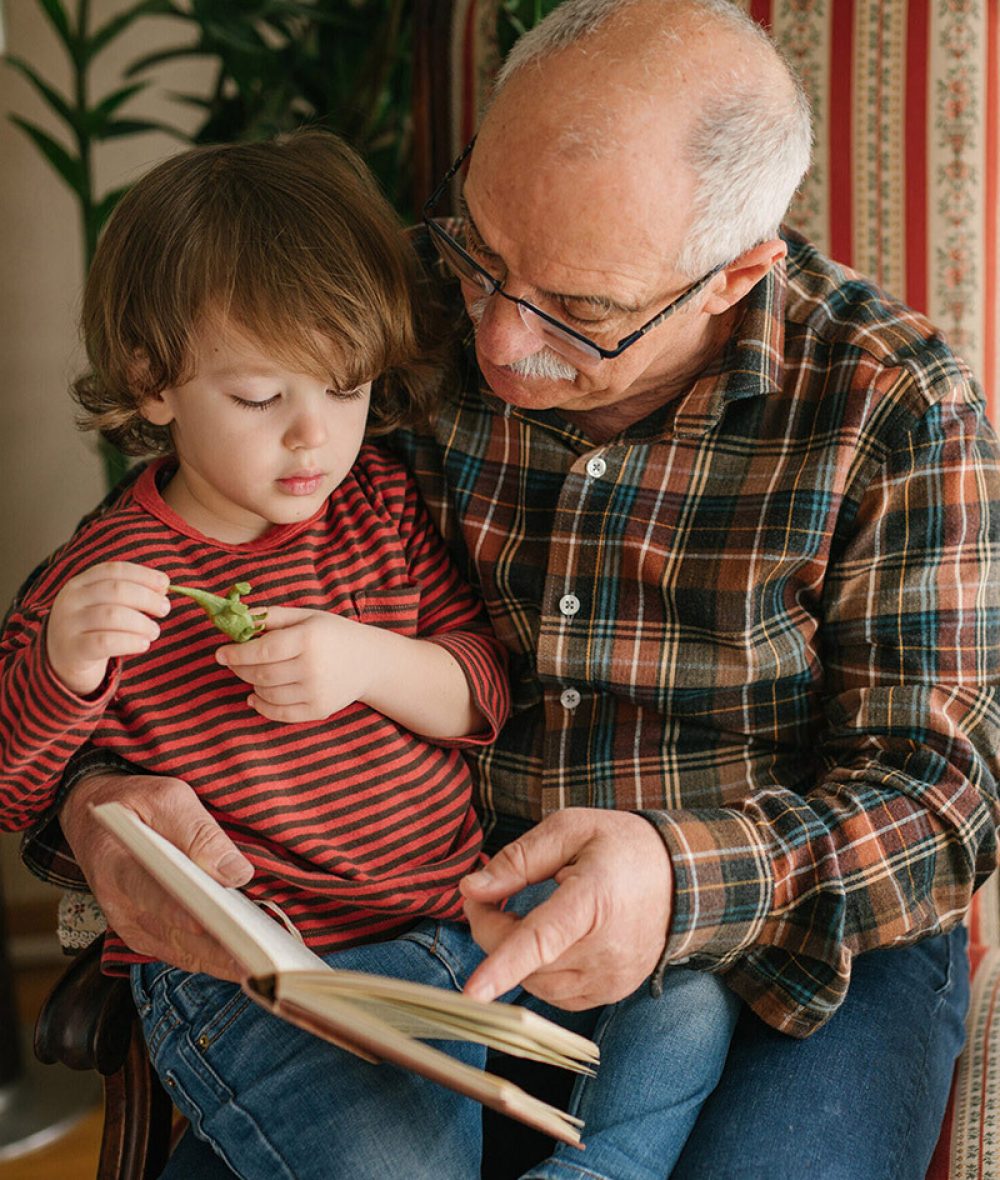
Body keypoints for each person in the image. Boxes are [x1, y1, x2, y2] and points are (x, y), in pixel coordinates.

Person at [15, 0, 1000, 1177]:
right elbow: (114, 637)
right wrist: (99, 806)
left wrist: (676, 879)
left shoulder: (895, 406)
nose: (493, 343)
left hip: (782, 940)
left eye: (579, 313)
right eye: (483, 255)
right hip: (422, 929)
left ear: (733, 276)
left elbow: (944, 800)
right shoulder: (387, 307)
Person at [1, 128, 742, 1180]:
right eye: (261, 400)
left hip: (463, 919)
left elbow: (484, 691)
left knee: (686, 994)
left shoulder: (379, 508)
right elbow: (16, 787)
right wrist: (62, 670)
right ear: (152, 381)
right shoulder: (102, 583)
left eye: (343, 390)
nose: (314, 438)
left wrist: (370, 661)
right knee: (389, 1161)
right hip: (272, 981)